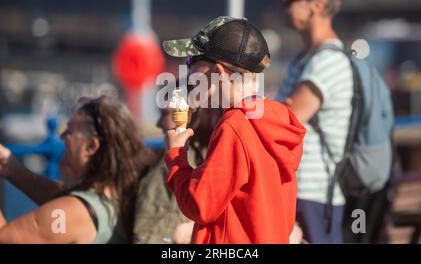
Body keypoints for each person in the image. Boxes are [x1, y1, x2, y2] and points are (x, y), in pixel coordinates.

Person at [162, 16, 306, 243]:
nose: (187, 72)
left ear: (218, 72)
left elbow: (200, 205)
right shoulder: (276, 120)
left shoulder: (235, 126)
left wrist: (176, 158)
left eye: (191, 60)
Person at [0, 95, 153, 243]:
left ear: (91, 146)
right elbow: (60, 196)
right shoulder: (125, 196)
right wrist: (12, 169)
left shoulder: (74, 213)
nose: (62, 136)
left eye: (70, 131)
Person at [276, 0, 351, 243]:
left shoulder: (328, 61)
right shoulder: (306, 59)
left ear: (316, 5)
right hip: (301, 190)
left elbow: (287, 122)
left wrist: (282, 110)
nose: (283, 4)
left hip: (315, 192)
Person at [133, 106, 223, 244]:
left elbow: (148, 237)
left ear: (189, 114)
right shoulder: (215, 160)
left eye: (165, 114)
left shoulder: (171, 166)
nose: (158, 123)